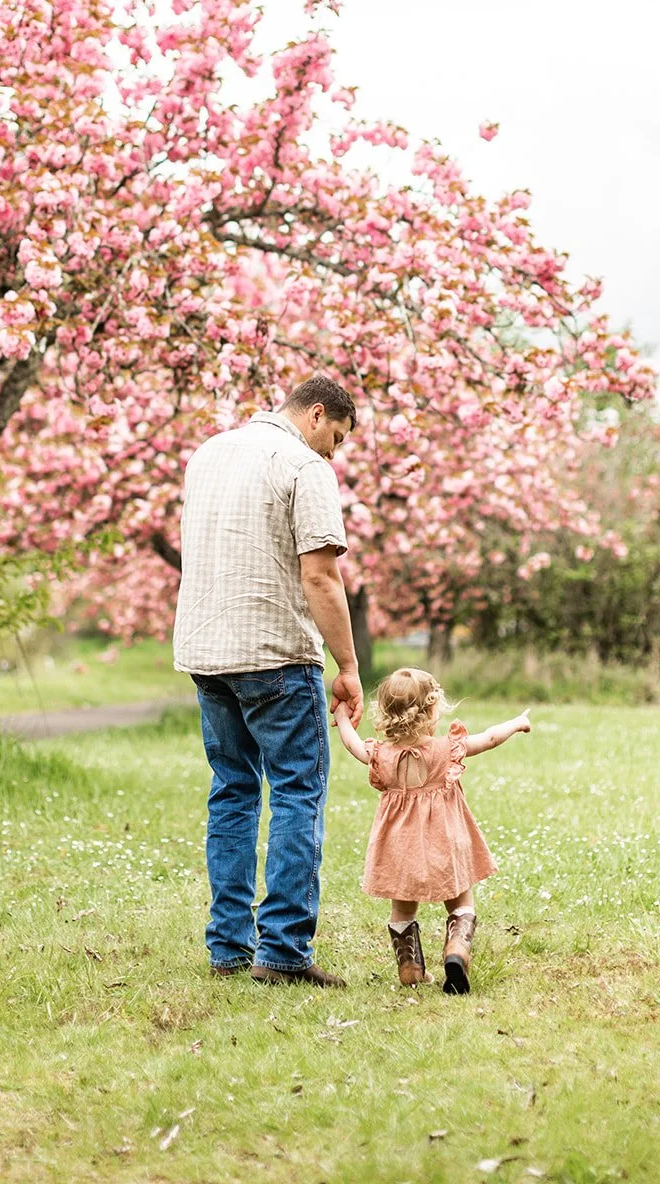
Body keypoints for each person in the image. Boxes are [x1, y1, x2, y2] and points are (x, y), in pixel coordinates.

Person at [173, 375, 363, 989]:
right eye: (334, 437)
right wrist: (350, 667)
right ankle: (282, 952)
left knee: (232, 791)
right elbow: (321, 578)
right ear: (315, 416)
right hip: (275, 653)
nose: (333, 451)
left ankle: (228, 949)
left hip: (207, 650)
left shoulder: (208, 453)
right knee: (297, 792)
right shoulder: (303, 466)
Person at [333, 668, 531, 994]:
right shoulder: (447, 748)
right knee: (460, 900)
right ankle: (456, 951)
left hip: (399, 847)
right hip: (445, 842)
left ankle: (410, 968)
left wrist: (342, 717)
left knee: (402, 908)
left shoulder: (381, 754)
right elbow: (490, 738)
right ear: (429, 712)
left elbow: (353, 744)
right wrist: (517, 722)